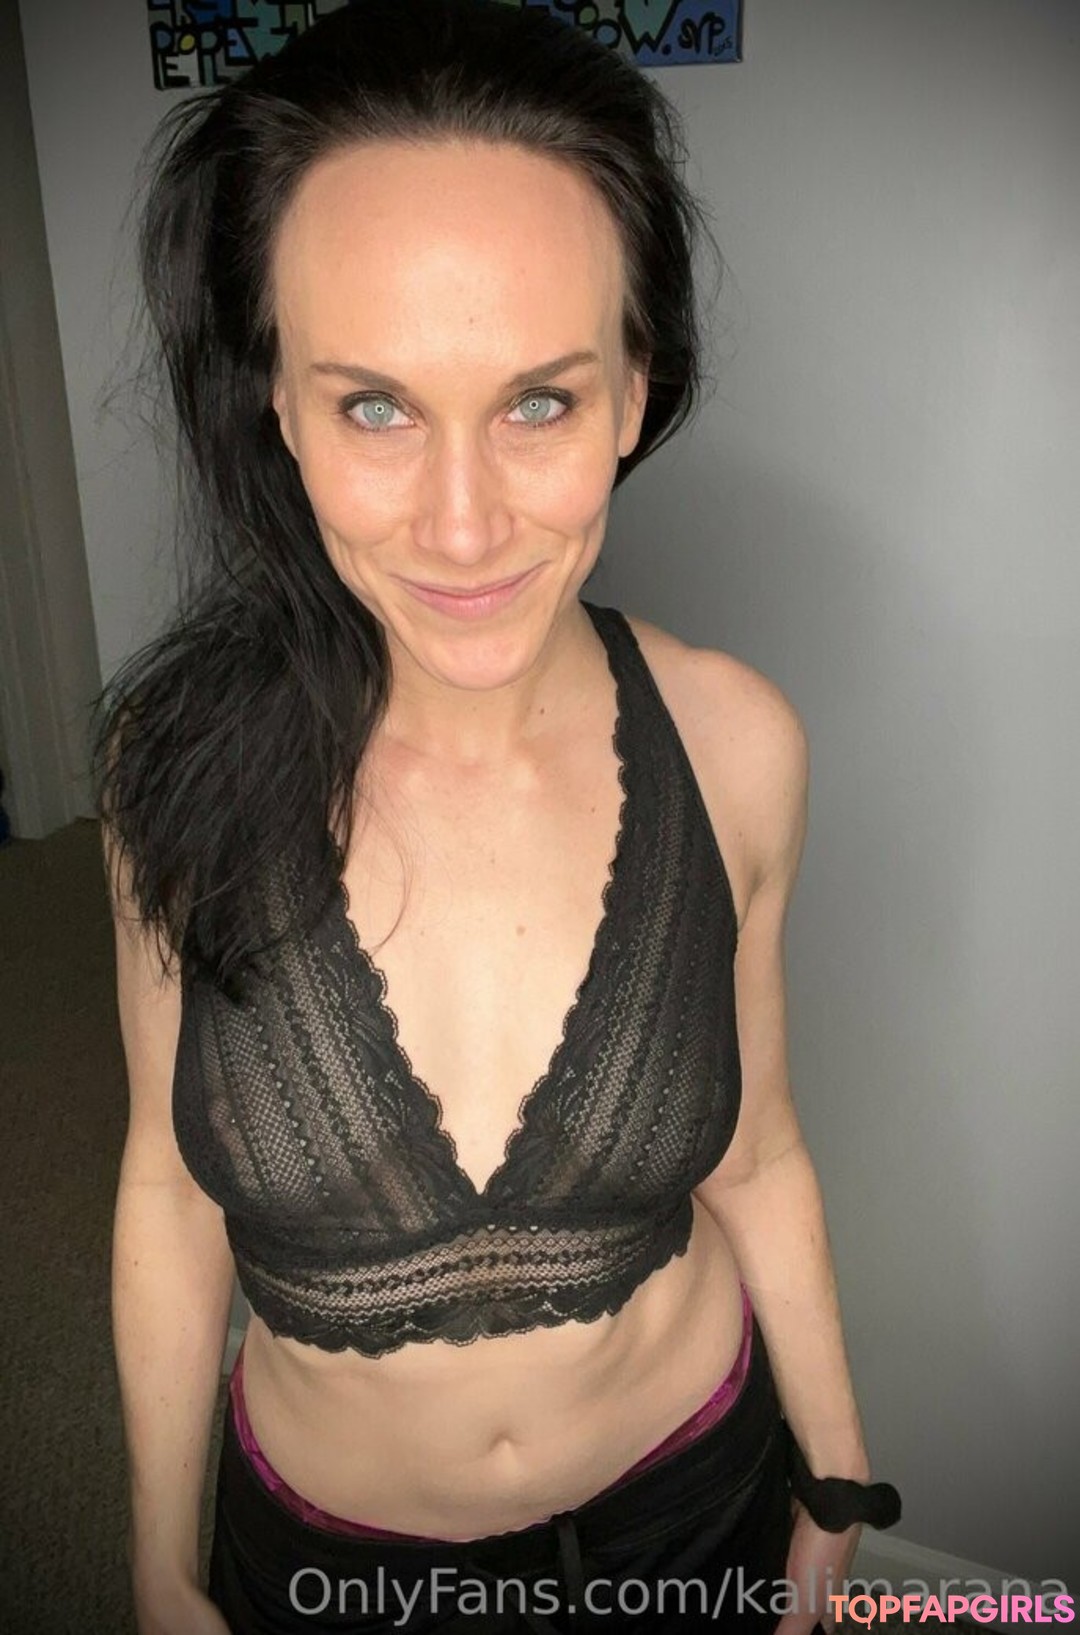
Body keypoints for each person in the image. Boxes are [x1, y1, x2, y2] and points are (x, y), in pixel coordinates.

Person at [94, 2, 899, 1632]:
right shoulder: (172, 773)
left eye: (538, 402)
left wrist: (836, 1475)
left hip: (698, 1513)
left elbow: (760, 1154)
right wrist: (159, 1562)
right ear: (276, 405)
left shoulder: (735, 747)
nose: (463, 529)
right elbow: (170, 1196)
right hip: (333, 1573)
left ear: (632, 395)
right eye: (374, 407)